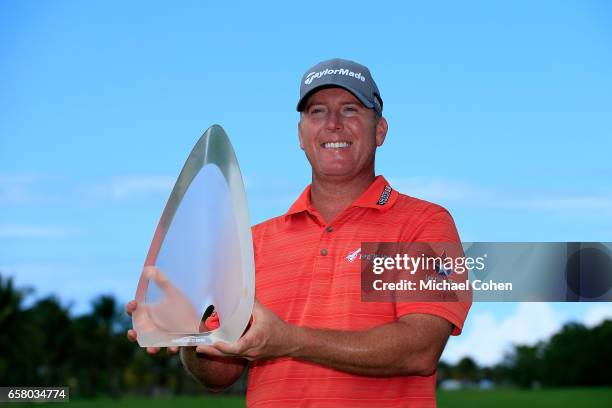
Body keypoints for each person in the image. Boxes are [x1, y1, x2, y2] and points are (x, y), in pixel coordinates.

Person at [127, 58, 471, 407]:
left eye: (350, 109)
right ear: (301, 135)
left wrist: (290, 340)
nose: (333, 124)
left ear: (380, 130)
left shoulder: (424, 223)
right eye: (317, 112)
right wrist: (190, 331)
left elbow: (419, 348)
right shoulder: (254, 243)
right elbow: (221, 374)